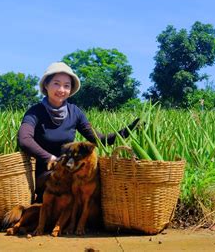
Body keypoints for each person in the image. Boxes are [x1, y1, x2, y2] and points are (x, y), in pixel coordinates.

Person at [18, 62, 139, 203]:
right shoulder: (35, 112)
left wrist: (129, 130)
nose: (61, 89)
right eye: (56, 84)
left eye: (66, 85)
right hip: (46, 174)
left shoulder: (75, 112)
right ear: (46, 85)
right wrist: (50, 158)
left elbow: (98, 139)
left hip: (69, 171)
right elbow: (24, 139)